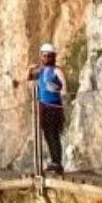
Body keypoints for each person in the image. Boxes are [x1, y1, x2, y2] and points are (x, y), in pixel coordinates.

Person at [28, 42, 68, 174]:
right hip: (43, 106)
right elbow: (28, 78)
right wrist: (30, 69)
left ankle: (57, 162)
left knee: (53, 134)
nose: (46, 58)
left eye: (49, 56)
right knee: (47, 134)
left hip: (54, 106)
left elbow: (64, 88)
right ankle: (54, 161)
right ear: (41, 56)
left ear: (53, 56)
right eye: (44, 56)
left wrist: (56, 89)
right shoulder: (41, 71)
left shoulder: (57, 71)